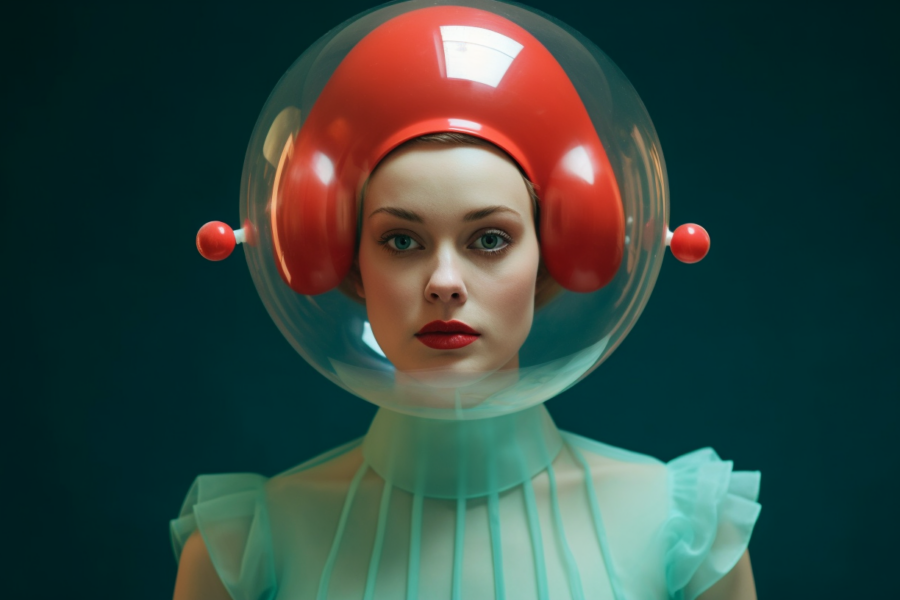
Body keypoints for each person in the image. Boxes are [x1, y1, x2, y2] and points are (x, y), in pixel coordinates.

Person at [178, 3, 759, 599]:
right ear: (351, 264)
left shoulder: (684, 535)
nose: (444, 283)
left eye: (489, 239)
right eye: (401, 241)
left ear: (552, 257)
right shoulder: (245, 550)